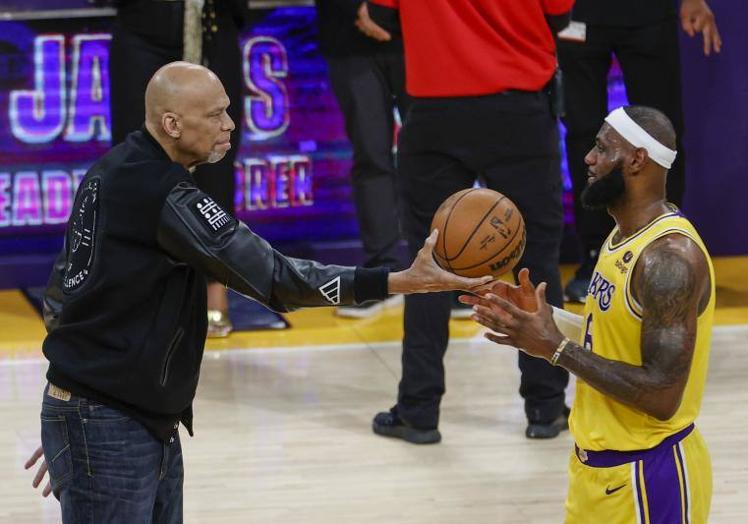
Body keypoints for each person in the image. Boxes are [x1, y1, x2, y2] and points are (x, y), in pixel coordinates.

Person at [23, 62, 492, 523]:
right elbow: (277, 278)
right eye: (214, 115)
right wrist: (398, 280)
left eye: (228, 110)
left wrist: (73, 410)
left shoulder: (113, 168)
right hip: (112, 422)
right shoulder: (167, 195)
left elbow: (62, 295)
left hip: (118, 418)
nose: (230, 124)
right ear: (171, 124)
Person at [463, 106, 715, 522]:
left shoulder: (669, 259)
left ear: (637, 159)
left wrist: (555, 348)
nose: (588, 158)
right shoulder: (622, 234)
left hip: (649, 476)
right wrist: (541, 320)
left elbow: (662, 395)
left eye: (602, 147)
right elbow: (613, 339)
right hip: (596, 471)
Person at [360, 0, 574, 443]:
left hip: (434, 111)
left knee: (427, 268)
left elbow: (379, 18)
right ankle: (547, 406)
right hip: (520, 111)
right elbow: (560, 17)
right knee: (537, 262)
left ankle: (418, 411)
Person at [558, 0, 721, 302]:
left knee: (660, 136)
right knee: (584, 136)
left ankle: (668, 249)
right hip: (575, 12)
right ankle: (595, 255)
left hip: (648, 10)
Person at [109, 0, 252, 336]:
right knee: (138, 165)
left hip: (212, 27)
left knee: (216, 158)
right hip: (143, 28)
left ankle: (215, 289)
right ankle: (138, 290)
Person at [314, 0, 410, 318]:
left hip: (421, 31)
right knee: (371, 156)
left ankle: (448, 268)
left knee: (435, 156)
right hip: (348, 34)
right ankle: (384, 274)